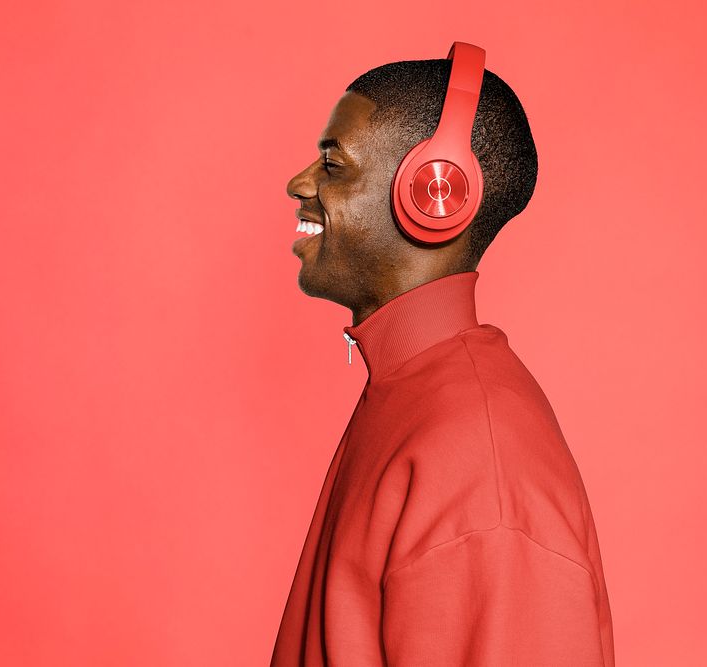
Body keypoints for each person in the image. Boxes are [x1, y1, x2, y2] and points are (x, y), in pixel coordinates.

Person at [272, 43, 615, 666]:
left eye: (334, 166)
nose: (299, 182)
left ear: (434, 195)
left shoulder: (480, 462)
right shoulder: (414, 395)